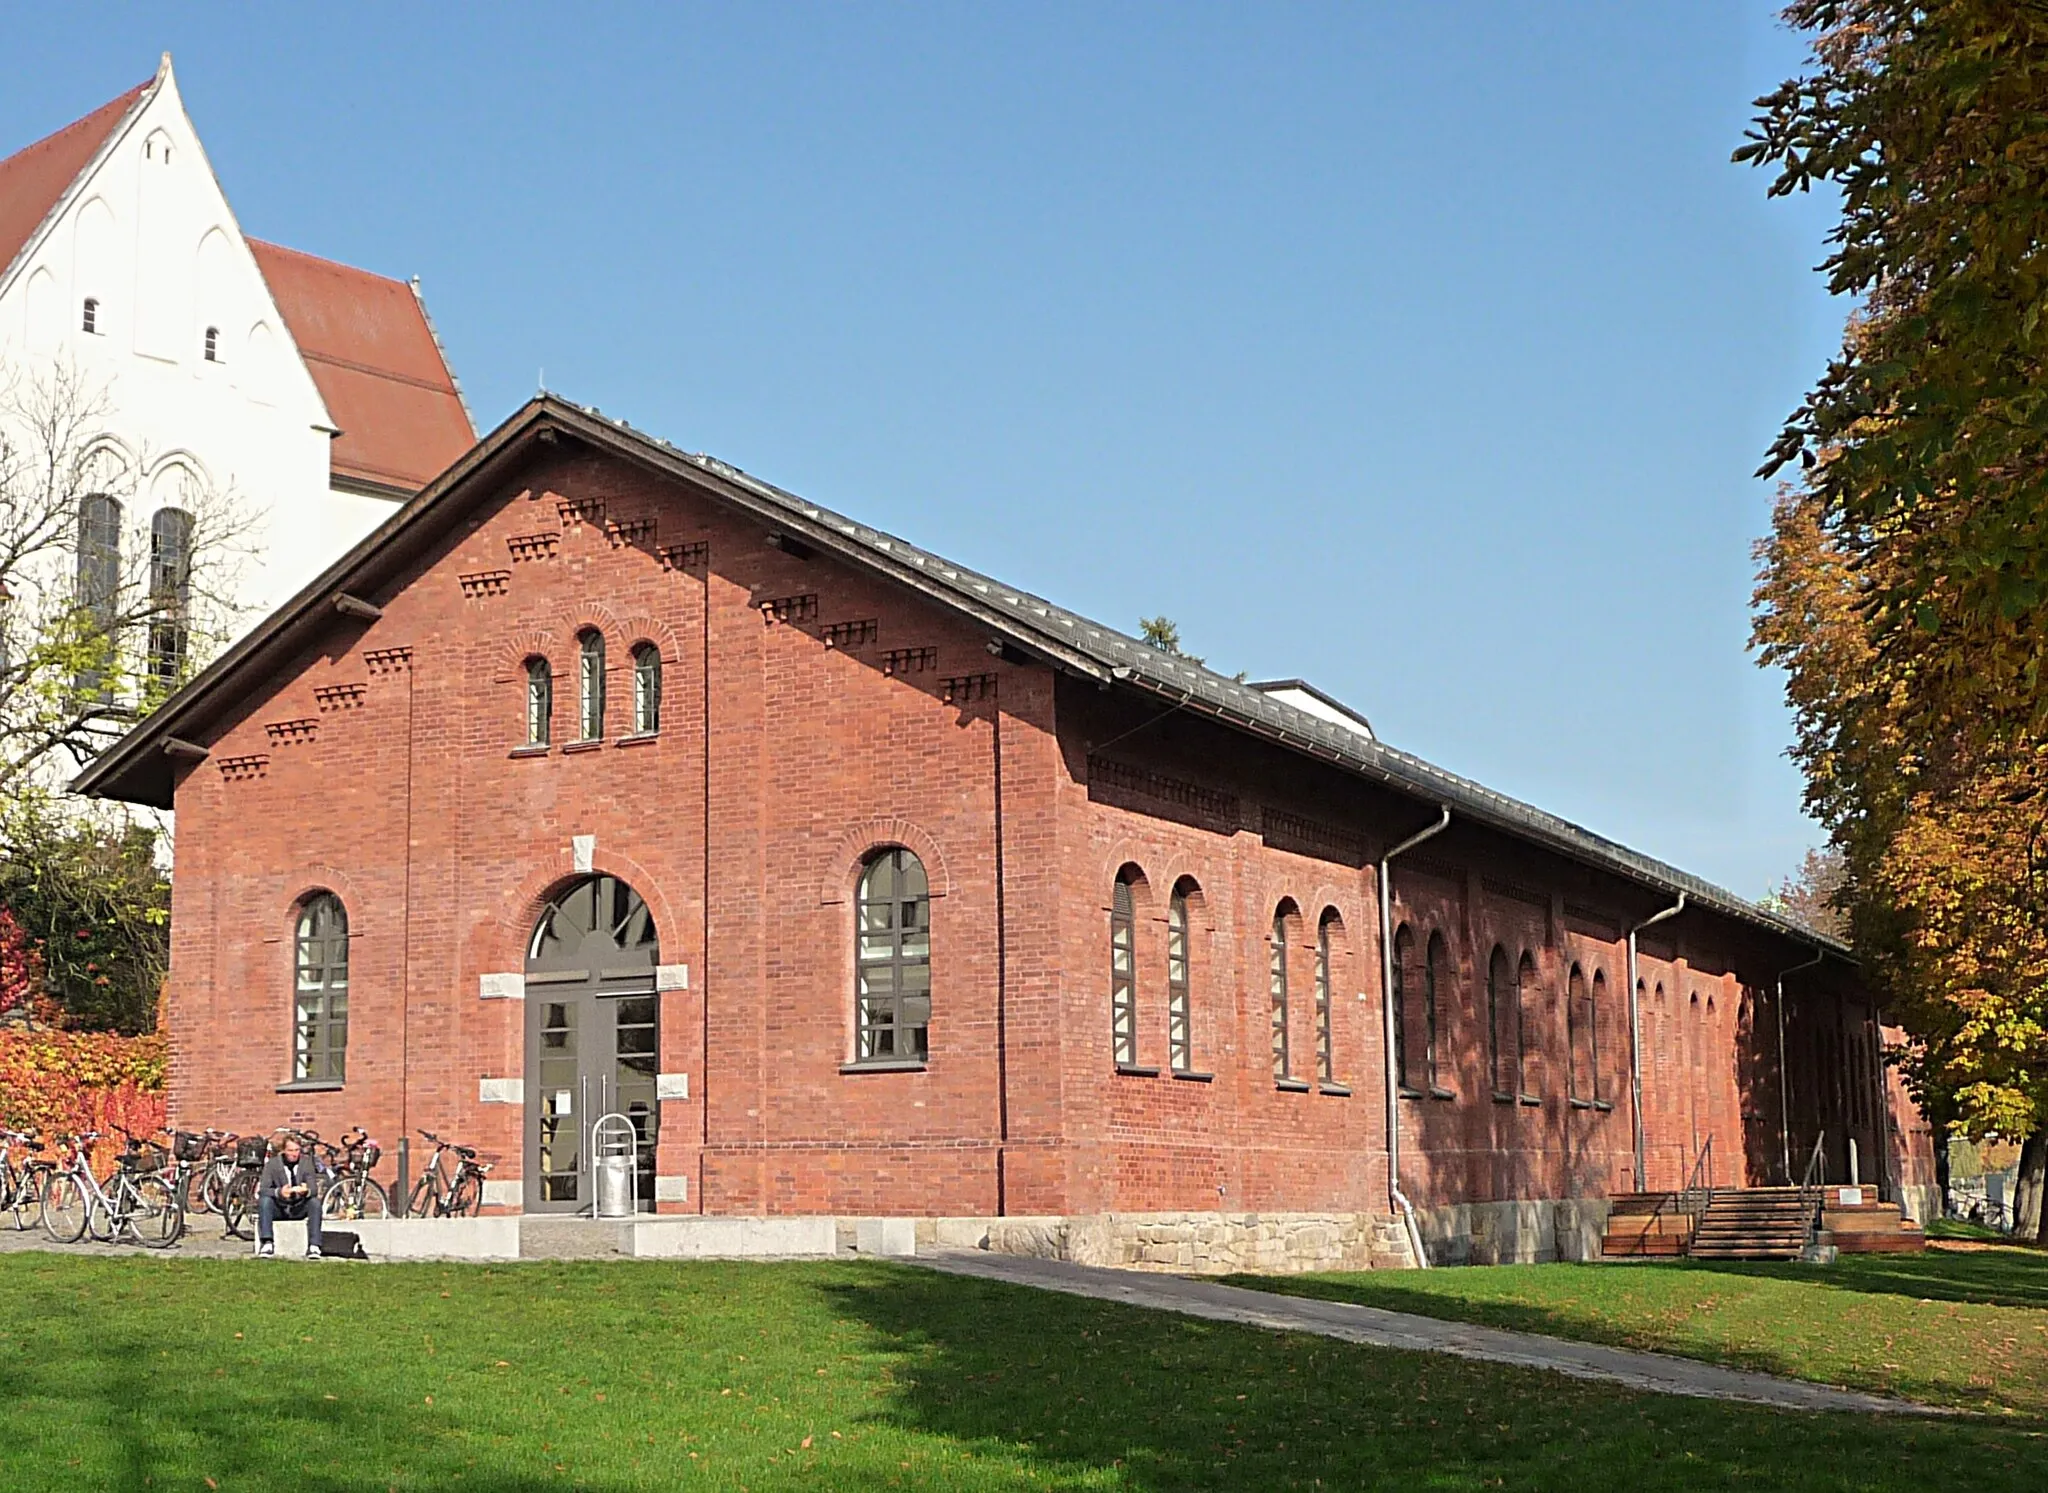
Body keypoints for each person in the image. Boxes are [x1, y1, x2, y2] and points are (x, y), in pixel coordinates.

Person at [256, 1134, 324, 1259]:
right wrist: (279, 1192)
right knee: (265, 1201)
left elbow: (313, 1189)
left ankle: (314, 1245)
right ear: (283, 1151)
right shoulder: (272, 1165)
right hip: (280, 1206)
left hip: (298, 1205)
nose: (294, 1154)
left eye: (297, 1150)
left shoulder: (306, 1163)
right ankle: (267, 1243)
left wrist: (305, 1191)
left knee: (314, 1203)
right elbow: (263, 1190)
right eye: (290, 1150)